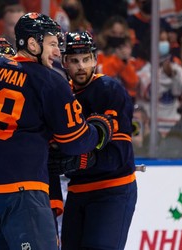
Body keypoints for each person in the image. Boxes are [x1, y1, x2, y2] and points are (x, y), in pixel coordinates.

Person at [0, 12, 113, 250]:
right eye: (51, 44)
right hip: (20, 189)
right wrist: (99, 131)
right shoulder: (51, 81)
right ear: (32, 44)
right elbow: (74, 142)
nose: (58, 52)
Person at [60, 31, 137, 250]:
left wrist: (80, 161)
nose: (81, 66)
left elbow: (118, 153)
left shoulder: (110, 91)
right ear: (65, 62)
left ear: (95, 59)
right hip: (77, 190)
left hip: (112, 190)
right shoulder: (62, 93)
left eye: (86, 59)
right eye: (74, 61)